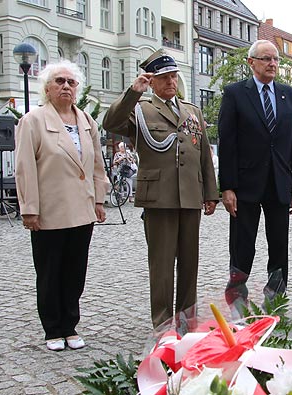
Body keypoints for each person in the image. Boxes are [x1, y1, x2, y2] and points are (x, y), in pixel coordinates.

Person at [103, 49, 219, 330]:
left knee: (190, 264)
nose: (170, 82)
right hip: (159, 197)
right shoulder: (141, 109)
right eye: (164, 78)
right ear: (152, 82)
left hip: (190, 196)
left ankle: (187, 320)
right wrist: (133, 92)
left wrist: (210, 193)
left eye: (173, 76)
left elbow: (203, 153)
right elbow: (111, 123)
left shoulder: (192, 111)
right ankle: (163, 324)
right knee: (162, 264)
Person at [14, 60, 110, 351]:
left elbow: (96, 163)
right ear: (47, 88)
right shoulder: (34, 120)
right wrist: (29, 207)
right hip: (50, 210)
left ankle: (70, 324)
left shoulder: (86, 121)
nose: (66, 86)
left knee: (75, 271)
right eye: (59, 81)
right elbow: (24, 167)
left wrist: (99, 198)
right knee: (50, 270)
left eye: (71, 82)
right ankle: (53, 328)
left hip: (82, 209)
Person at [218, 39, 292, 318]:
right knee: (243, 243)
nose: (272, 64)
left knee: (279, 244)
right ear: (251, 62)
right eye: (266, 59)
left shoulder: (290, 96)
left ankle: (275, 297)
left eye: (276, 60)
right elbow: (227, 142)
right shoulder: (235, 94)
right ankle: (236, 298)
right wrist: (227, 186)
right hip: (245, 184)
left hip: (279, 183)